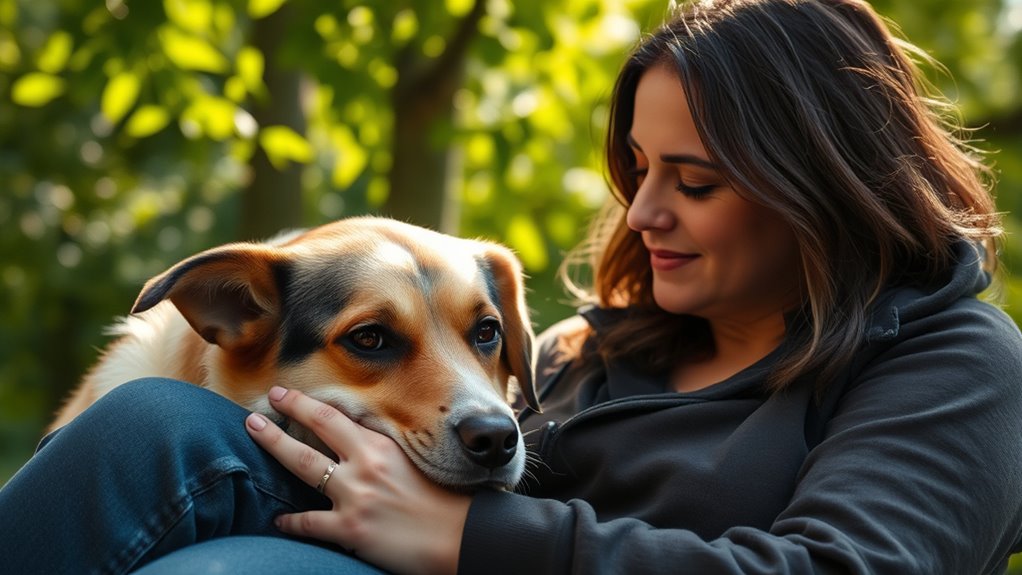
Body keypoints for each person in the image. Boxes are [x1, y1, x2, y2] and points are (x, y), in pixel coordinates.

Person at [2, 0, 1021, 573]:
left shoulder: (950, 359)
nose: (641, 213)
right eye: (637, 171)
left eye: (693, 181)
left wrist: (472, 535)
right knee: (152, 427)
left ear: (818, 183)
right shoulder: (596, 350)